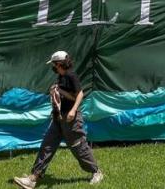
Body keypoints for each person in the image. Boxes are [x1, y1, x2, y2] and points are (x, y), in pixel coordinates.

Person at [13, 51, 103, 188]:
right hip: (58, 119)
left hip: (71, 119)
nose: (53, 67)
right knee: (47, 146)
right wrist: (56, 94)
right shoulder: (61, 77)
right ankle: (33, 179)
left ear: (59, 64)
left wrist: (72, 110)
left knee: (79, 148)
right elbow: (62, 96)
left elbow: (79, 94)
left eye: (54, 64)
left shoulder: (71, 75)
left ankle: (96, 172)